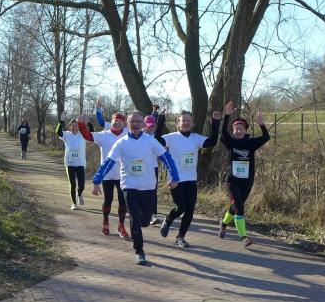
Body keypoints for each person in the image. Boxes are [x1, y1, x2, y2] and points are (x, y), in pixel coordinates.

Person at [92, 110, 181, 265]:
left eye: (139, 121)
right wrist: (97, 180)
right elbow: (108, 162)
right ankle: (139, 251)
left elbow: (166, 157)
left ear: (143, 124)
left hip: (148, 187)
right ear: (128, 123)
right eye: (132, 121)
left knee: (145, 221)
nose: (135, 124)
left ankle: (140, 225)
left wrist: (175, 176)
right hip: (129, 186)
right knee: (134, 219)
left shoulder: (150, 141)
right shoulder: (121, 143)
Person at [156, 110, 221, 247]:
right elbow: (157, 139)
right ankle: (168, 219)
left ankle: (180, 237)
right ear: (178, 123)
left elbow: (213, 141)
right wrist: (160, 119)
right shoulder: (172, 137)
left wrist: (216, 123)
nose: (186, 123)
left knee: (190, 210)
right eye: (183, 120)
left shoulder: (196, 138)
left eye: (188, 121)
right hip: (176, 179)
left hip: (191, 179)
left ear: (193, 124)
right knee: (181, 207)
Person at [218, 101, 270, 247]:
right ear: (233, 131)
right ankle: (244, 238)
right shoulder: (230, 142)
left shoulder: (251, 143)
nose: (239, 130)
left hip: (247, 181)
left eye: (241, 128)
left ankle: (223, 223)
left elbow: (266, 137)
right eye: (236, 128)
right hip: (232, 180)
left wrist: (261, 124)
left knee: (235, 207)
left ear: (245, 130)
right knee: (240, 208)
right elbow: (223, 132)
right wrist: (227, 116)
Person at [77, 101, 129, 238]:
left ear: (124, 123)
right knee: (108, 200)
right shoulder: (103, 135)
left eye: (120, 122)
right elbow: (88, 136)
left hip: (123, 174)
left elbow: (144, 131)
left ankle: (121, 226)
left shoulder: (128, 134)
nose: (117, 123)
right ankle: (105, 223)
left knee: (123, 201)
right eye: (115, 121)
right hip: (107, 174)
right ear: (111, 122)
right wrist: (81, 124)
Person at [56, 113, 87, 210]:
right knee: (73, 184)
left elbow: (92, 133)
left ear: (78, 127)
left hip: (80, 163)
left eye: (76, 125)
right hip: (70, 163)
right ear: (70, 127)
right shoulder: (67, 135)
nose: (74, 127)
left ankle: (79, 194)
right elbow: (58, 131)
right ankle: (74, 203)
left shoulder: (82, 135)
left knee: (81, 185)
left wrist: (86, 122)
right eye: (72, 125)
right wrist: (61, 121)